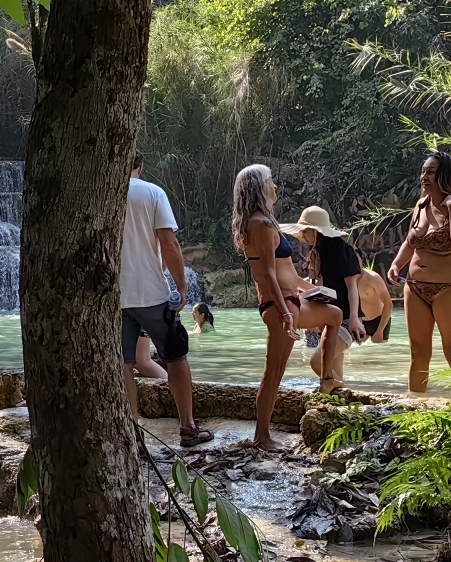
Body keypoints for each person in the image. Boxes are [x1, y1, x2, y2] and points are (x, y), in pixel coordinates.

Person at [234, 164, 342, 450]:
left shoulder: (263, 221)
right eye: (271, 182)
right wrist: (285, 314)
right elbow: (268, 274)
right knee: (274, 373)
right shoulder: (260, 223)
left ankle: (327, 379)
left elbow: (290, 276)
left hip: (289, 300)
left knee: (335, 313)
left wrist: (316, 291)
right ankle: (262, 437)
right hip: (280, 304)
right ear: (259, 187)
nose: (276, 187)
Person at [122, 153, 211, 447]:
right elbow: (169, 244)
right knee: (176, 358)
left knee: (124, 364)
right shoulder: (152, 193)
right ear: (141, 166)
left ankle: (131, 434)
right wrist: (182, 287)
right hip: (152, 296)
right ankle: (188, 428)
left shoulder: (101, 195)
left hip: (114, 299)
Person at [383, 151, 451, 392]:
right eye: (423, 171)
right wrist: (397, 263)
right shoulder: (421, 205)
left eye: (431, 172)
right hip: (415, 287)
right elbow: (410, 240)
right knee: (418, 352)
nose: (424, 177)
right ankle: (415, 408)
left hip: (450, 289)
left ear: (445, 175)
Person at [284, 206, 369, 392]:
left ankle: (345, 397)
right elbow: (324, 289)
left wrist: (355, 319)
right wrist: (298, 285)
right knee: (334, 375)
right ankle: (344, 406)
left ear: (315, 231)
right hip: (331, 320)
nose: (304, 237)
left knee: (318, 363)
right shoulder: (319, 252)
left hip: (345, 319)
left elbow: (351, 286)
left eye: (306, 232)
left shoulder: (341, 250)